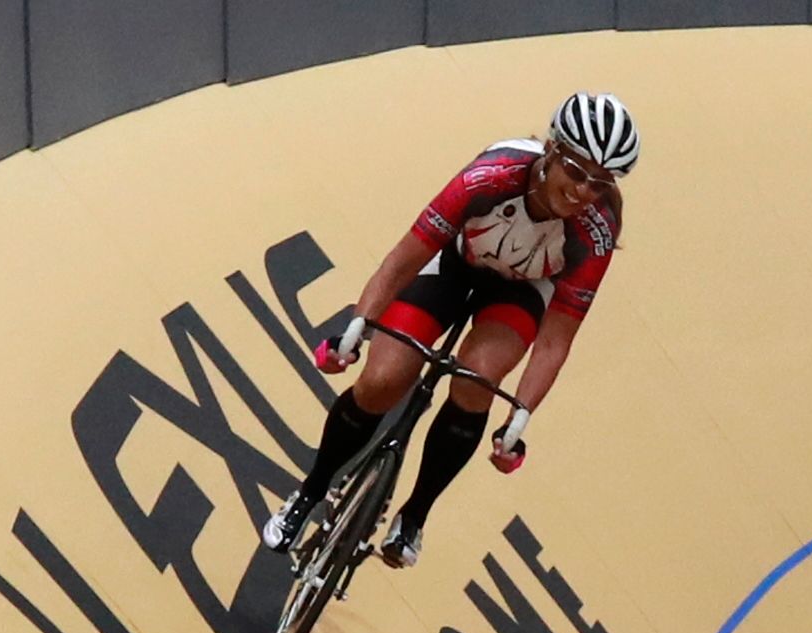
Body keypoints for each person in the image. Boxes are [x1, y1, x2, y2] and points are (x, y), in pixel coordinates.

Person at [262, 91, 640, 568]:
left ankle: (414, 517)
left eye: (601, 182)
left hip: (522, 293)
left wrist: (518, 419)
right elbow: (403, 260)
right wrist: (356, 330)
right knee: (381, 381)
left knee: (478, 379)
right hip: (454, 265)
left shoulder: (595, 232)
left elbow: (555, 339)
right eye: (577, 170)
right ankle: (309, 492)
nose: (584, 191)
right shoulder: (491, 175)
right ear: (551, 149)